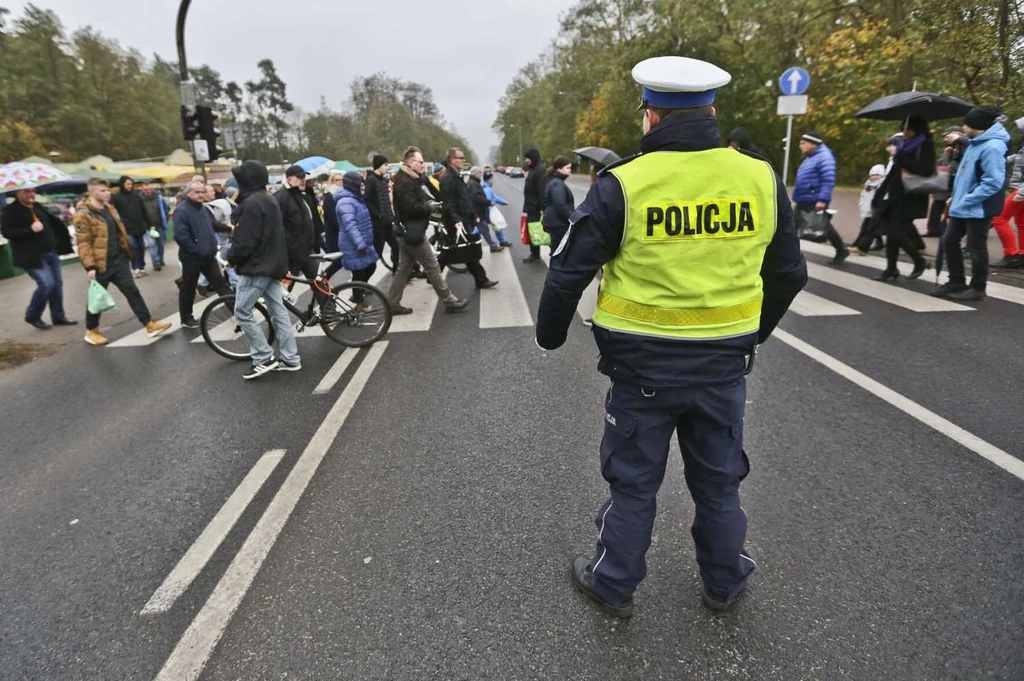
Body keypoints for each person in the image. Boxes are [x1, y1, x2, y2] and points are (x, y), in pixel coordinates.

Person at [536, 56, 807, 618]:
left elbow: (568, 271)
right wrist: (753, 336)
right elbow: (789, 273)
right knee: (719, 481)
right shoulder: (759, 176)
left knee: (633, 482)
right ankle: (725, 582)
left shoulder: (626, 183)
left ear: (651, 118)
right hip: (723, 367)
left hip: (642, 370)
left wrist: (551, 337)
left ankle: (614, 584)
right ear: (710, 111)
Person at [72, 179, 171, 346]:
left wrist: (126, 252)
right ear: (92, 192)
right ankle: (91, 330)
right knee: (96, 298)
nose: (107, 193)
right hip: (100, 263)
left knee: (132, 291)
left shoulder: (109, 208)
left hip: (119, 259)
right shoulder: (83, 214)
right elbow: (84, 242)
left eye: (107, 190)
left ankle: (148, 324)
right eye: (103, 190)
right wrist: (90, 266)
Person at [227, 160, 301, 379]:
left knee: (242, 311)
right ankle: (290, 358)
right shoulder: (268, 199)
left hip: (257, 267)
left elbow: (246, 241)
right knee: (279, 314)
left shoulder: (251, 204)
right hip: (273, 265)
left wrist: (232, 257)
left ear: (247, 180)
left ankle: (263, 356)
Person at [932, 107, 1010, 301]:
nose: (963, 127)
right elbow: (965, 174)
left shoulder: (993, 147)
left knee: (976, 247)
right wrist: (956, 197)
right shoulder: (975, 143)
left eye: (966, 123)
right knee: (950, 240)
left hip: (979, 206)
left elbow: (993, 181)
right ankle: (956, 281)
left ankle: (977, 288)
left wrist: (967, 199)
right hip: (963, 204)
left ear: (976, 125)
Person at [387, 146, 469, 314]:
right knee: (432, 266)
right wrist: (430, 207)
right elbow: (411, 208)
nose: (423, 166)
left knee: (403, 269)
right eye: (421, 162)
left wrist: (430, 199)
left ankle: (392, 303)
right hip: (412, 232)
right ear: (410, 163)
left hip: (407, 231)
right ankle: (449, 300)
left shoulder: (412, 178)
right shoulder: (404, 181)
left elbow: (423, 197)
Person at [1, 187, 76, 329]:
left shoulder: (37, 206)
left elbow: (51, 224)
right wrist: (29, 230)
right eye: (27, 191)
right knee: (46, 284)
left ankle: (58, 316)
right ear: (18, 193)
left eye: (33, 191)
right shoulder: (10, 211)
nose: (31, 194)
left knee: (57, 285)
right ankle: (33, 316)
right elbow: (7, 232)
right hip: (32, 255)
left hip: (51, 252)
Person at [870, 117, 935, 281]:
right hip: (896, 196)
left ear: (917, 129)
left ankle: (916, 262)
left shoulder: (925, 145)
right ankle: (893, 268)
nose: (905, 133)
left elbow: (926, 170)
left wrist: (902, 157)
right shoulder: (905, 145)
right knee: (892, 234)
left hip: (912, 197)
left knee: (895, 235)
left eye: (908, 130)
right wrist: (879, 193)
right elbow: (894, 172)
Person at [174, 180, 231, 328]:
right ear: (189, 193)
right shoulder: (182, 210)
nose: (201, 195)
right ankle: (186, 318)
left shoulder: (203, 209)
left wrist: (229, 228)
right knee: (189, 287)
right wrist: (195, 250)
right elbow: (181, 236)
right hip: (192, 257)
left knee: (220, 284)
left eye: (202, 192)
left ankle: (238, 310)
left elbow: (213, 225)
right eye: (197, 192)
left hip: (208, 255)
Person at [439, 147, 498, 289]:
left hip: (462, 219)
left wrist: (473, 214)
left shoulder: (457, 176)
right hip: (456, 221)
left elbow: (464, 199)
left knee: (456, 252)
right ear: (453, 160)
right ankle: (481, 280)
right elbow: (449, 203)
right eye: (461, 158)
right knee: (461, 251)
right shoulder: (448, 178)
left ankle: (481, 279)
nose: (464, 160)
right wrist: (457, 220)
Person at [792, 131, 848, 264]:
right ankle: (789, 254)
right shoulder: (811, 156)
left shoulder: (824, 157)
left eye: (803, 143)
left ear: (813, 144)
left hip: (814, 199)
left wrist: (822, 200)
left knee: (822, 226)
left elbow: (828, 180)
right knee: (795, 226)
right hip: (805, 198)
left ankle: (841, 249)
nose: (801, 146)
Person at [334, 172, 378, 309]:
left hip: (362, 241)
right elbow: (350, 225)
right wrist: (360, 244)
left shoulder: (355, 198)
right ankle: (359, 303)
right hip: (353, 244)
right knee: (358, 272)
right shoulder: (345, 202)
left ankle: (357, 293)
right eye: (360, 183)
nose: (362, 186)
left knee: (370, 266)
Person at [990, 116, 1024, 269]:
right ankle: (1022, 254)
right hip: (1019, 188)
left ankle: (1011, 254)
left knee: (999, 218)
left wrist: (1022, 192)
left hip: (1021, 190)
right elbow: (1018, 158)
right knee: (1022, 223)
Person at [275, 165, 317, 284]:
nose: (303, 179)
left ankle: (329, 303)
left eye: (304, 176)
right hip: (291, 254)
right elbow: (278, 228)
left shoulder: (301, 195)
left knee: (320, 284)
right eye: (299, 177)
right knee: (285, 289)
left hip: (307, 250)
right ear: (288, 179)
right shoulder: (280, 198)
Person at [109, 175, 153, 277]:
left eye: (131, 184)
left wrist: (150, 224)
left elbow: (144, 210)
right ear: (122, 184)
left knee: (141, 248)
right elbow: (113, 213)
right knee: (133, 248)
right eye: (127, 184)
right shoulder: (116, 197)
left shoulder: (136, 196)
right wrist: (121, 223)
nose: (130, 186)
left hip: (139, 227)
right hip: (126, 229)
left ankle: (141, 267)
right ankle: (136, 268)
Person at [364, 154, 400, 270]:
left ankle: (396, 273)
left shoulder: (384, 181)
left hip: (388, 222)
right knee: (377, 253)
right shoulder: (371, 180)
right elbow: (367, 201)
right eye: (385, 165)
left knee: (396, 246)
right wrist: (378, 215)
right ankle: (363, 278)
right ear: (378, 166)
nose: (387, 167)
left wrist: (392, 216)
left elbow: (387, 201)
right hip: (379, 225)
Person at [848, 164, 887, 255]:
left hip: (876, 209)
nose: (874, 177)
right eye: (873, 175)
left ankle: (861, 246)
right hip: (869, 209)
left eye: (877, 175)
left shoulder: (882, 185)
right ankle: (874, 243)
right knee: (869, 228)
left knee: (868, 228)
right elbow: (864, 197)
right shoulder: (868, 185)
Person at [543, 155, 575, 249]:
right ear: (559, 168)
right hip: (558, 224)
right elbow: (560, 205)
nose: (570, 170)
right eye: (567, 168)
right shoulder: (557, 183)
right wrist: (572, 219)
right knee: (560, 252)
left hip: (555, 222)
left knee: (557, 250)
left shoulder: (556, 181)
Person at [521, 148, 547, 262]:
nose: (526, 160)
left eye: (528, 158)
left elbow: (541, 190)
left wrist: (542, 207)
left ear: (533, 158)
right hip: (532, 206)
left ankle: (535, 255)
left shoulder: (539, 170)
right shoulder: (534, 169)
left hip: (535, 207)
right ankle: (535, 253)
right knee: (534, 230)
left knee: (534, 230)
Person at [467, 166, 501, 252]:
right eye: (479, 173)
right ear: (475, 174)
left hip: (476, 211)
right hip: (477, 212)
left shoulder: (473, 182)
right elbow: (477, 198)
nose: (481, 175)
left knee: (476, 230)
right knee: (484, 229)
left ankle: (471, 246)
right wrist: (488, 202)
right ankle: (492, 246)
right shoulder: (473, 184)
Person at [139, 182, 169, 271]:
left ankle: (160, 258)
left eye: (149, 189)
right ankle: (156, 262)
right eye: (145, 189)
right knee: (152, 244)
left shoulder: (159, 198)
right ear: (142, 190)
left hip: (159, 224)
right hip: (147, 226)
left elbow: (166, 209)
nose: (148, 191)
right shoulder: (139, 200)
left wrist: (165, 220)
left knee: (160, 244)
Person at [321, 172, 346, 280]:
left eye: (341, 180)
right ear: (331, 182)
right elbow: (334, 218)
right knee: (338, 262)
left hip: (340, 233)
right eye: (337, 180)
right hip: (333, 235)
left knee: (341, 261)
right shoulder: (329, 197)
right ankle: (323, 279)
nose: (340, 182)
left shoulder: (340, 195)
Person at [482, 170, 512, 248]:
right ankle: (498, 243)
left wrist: (503, 202)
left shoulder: (487, 188)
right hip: (489, 211)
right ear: (488, 180)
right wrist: (488, 214)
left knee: (497, 226)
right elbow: (488, 201)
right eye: (492, 179)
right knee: (481, 228)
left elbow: (494, 197)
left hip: (489, 211)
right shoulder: (487, 189)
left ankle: (502, 241)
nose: (493, 181)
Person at [303, 180, 325, 253]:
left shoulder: (310, 193)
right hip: (313, 225)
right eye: (310, 181)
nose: (312, 182)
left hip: (316, 223)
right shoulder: (305, 194)